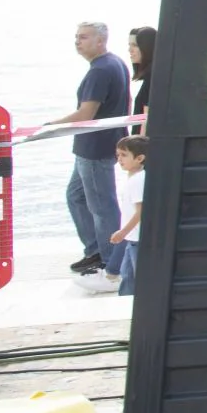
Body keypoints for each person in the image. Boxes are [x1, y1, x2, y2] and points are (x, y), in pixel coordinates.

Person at [58, 21, 132, 284]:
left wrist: (49, 127)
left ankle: (111, 263)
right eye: (76, 36)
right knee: (76, 196)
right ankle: (96, 250)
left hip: (95, 147)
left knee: (102, 206)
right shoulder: (114, 64)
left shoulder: (101, 70)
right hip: (96, 145)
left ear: (101, 41)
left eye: (84, 37)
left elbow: (86, 114)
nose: (78, 41)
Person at [104, 136, 147, 298]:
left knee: (139, 277)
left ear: (140, 158)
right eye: (117, 155)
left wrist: (122, 232)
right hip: (132, 239)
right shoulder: (132, 178)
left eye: (124, 155)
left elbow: (141, 211)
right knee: (127, 275)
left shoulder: (138, 180)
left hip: (137, 238)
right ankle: (125, 304)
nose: (119, 159)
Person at [128, 25, 155, 134]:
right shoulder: (151, 75)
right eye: (129, 45)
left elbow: (146, 119)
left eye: (134, 45)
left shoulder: (153, 77)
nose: (130, 50)